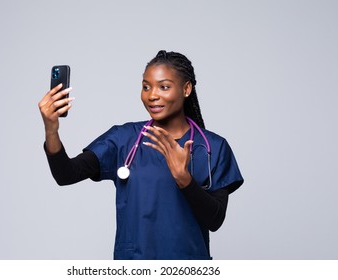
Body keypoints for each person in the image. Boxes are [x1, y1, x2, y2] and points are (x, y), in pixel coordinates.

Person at [38, 50, 244, 260]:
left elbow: (215, 220)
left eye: (164, 87)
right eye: (146, 86)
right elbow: (66, 175)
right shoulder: (122, 139)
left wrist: (184, 179)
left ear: (186, 89)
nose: (152, 95)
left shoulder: (213, 147)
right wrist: (51, 130)